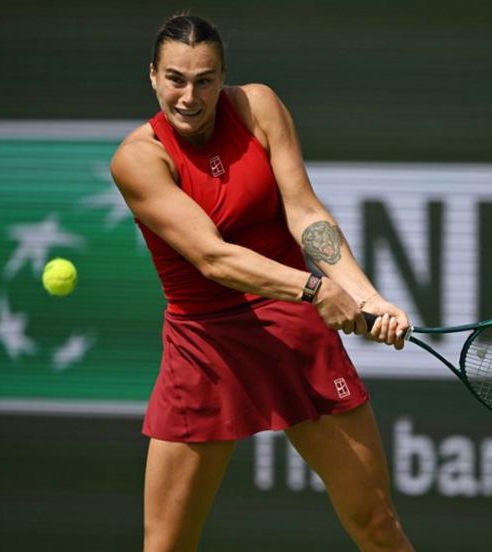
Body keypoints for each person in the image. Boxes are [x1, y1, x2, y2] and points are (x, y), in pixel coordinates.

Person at [110, 13, 415, 552]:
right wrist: (319, 290)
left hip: (292, 335)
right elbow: (213, 257)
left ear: (223, 77)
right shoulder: (138, 160)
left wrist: (368, 296)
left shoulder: (259, 107)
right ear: (153, 77)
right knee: (166, 546)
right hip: (204, 347)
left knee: (377, 523)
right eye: (175, 79)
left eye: (204, 80)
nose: (188, 96)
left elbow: (305, 212)